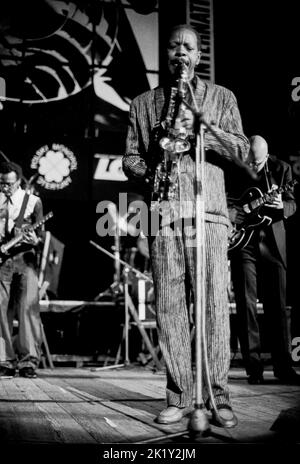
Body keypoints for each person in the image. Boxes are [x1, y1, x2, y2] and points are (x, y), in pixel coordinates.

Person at [123, 24, 250, 428]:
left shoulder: (221, 97)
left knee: (213, 306)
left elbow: (242, 148)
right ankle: (178, 396)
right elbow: (129, 158)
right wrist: (149, 170)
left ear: (198, 55)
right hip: (162, 212)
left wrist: (204, 135)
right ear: (168, 54)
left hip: (209, 213)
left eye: (189, 46)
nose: (181, 51)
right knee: (171, 308)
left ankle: (218, 397)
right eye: (175, 45)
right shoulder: (143, 104)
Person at [228, 135, 299, 385]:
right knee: (246, 307)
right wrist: (231, 213)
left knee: (277, 307)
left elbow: (293, 204)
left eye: (258, 162)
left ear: (266, 156)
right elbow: (225, 201)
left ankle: (283, 367)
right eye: (250, 161)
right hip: (243, 243)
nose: (253, 166)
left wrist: (283, 206)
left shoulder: (282, 169)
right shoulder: (235, 169)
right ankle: (254, 369)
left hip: (272, 243)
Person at [0, 161, 44, 379]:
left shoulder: (33, 201)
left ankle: (28, 361)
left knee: (28, 310)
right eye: (2, 184)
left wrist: (36, 239)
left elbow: (42, 237)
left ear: (19, 181)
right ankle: (5, 360)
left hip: (25, 260)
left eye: (9, 184)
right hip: (1, 262)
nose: (5, 188)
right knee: (0, 311)